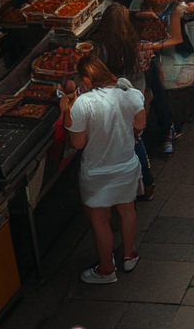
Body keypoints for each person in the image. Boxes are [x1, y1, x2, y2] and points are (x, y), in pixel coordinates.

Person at [63, 54, 146, 284]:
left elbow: (78, 143)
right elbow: (140, 124)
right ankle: (129, 256)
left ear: (88, 79)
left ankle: (107, 269)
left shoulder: (83, 103)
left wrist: (66, 112)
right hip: (126, 165)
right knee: (127, 211)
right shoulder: (131, 95)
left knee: (100, 220)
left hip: (96, 171)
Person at [91, 5, 156, 200]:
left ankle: (140, 184)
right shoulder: (137, 44)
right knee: (136, 140)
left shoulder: (100, 48)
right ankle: (147, 182)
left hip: (117, 104)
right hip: (137, 100)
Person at [136, 0, 183, 152]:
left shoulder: (174, 8)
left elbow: (176, 39)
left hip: (165, 54)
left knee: (157, 90)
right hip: (144, 54)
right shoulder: (140, 6)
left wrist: (150, 46)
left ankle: (167, 130)